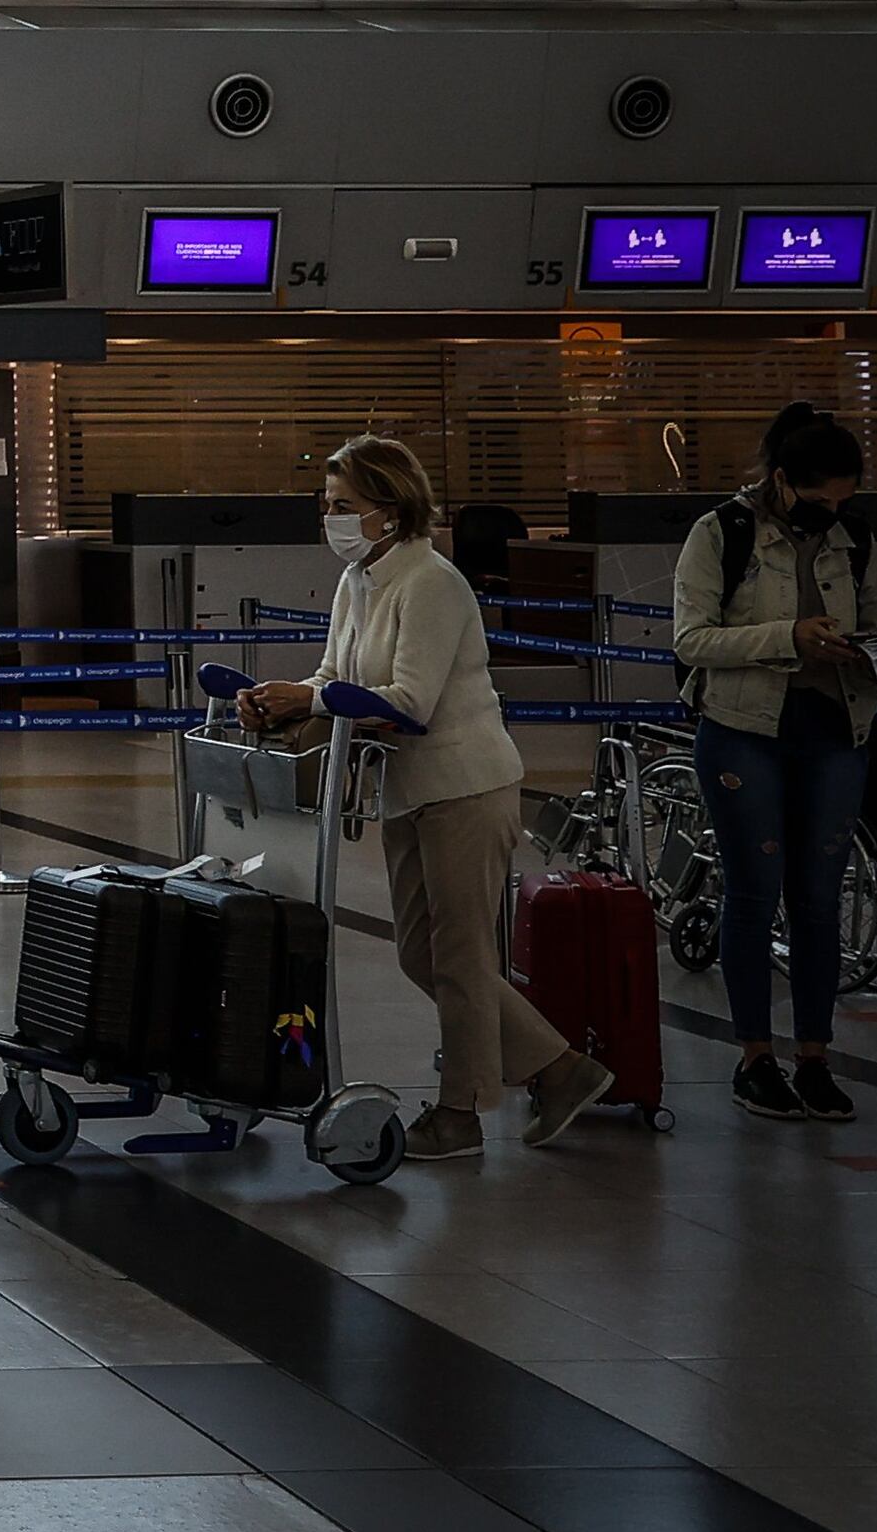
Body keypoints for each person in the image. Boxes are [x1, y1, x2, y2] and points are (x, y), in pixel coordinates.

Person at [243, 434, 609, 1160]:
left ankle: (460, 1113)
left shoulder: (432, 582)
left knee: (463, 957)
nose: (332, 517)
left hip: (465, 785)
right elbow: (333, 674)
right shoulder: (359, 581)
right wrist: (295, 697)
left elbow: (411, 700)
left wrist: (318, 704)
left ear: (390, 507)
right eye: (327, 503)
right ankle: (562, 1068)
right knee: (421, 953)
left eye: (344, 504)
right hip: (407, 790)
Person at [672, 404, 877, 1125]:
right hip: (743, 730)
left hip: (834, 730)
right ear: (785, 482)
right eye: (820, 500)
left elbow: (876, 619)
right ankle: (756, 1056)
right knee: (755, 893)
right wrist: (787, 636)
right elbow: (693, 640)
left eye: (844, 501)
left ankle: (815, 1057)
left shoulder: (851, 538)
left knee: (821, 899)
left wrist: (876, 649)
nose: (833, 513)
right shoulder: (722, 533)